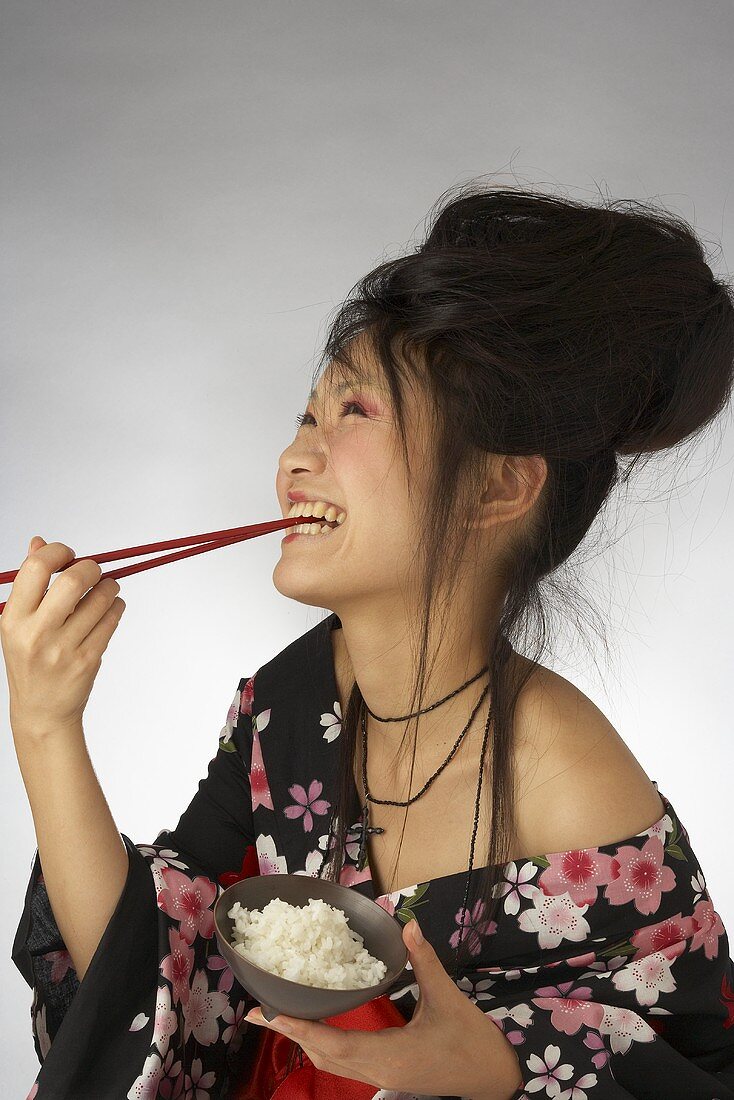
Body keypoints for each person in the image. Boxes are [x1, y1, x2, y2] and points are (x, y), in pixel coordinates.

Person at [5, 184, 734, 1100]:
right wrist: (44, 725)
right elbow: (157, 964)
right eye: (308, 415)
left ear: (496, 490)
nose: (294, 459)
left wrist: (494, 1067)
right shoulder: (288, 701)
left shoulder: (572, 776)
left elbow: (694, 1064)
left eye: (354, 413)